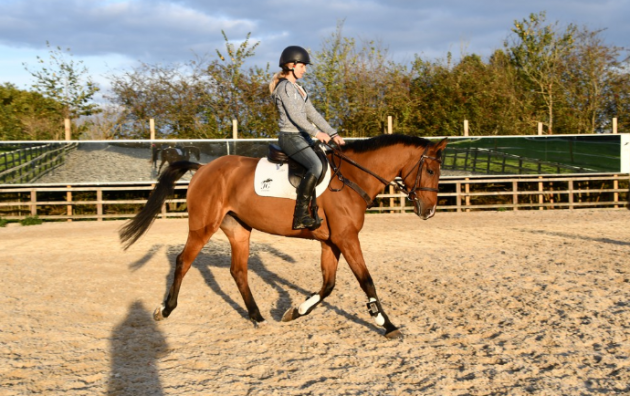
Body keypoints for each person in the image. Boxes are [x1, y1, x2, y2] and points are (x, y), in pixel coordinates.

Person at [269, 45, 345, 230]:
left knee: (327, 160)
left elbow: (312, 113)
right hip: (290, 137)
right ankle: (300, 216)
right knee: (316, 165)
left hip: (302, 137)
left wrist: (333, 133)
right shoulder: (285, 88)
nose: (305, 69)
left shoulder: (299, 89)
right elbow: (296, 117)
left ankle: (315, 209)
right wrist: (318, 133)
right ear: (291, 65)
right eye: (302, 65)